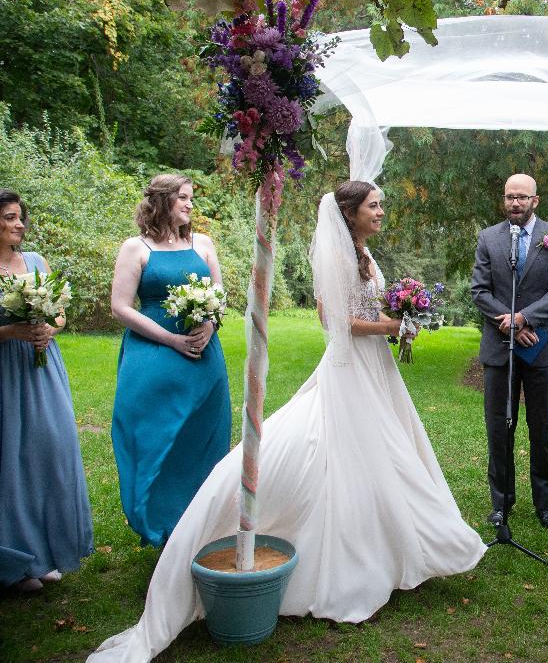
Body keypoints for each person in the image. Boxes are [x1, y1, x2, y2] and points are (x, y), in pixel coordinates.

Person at [88, 181, 486, 662]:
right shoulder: (335, 256)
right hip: (348, 368)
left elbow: (368, 306)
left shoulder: (363, 253)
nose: (381, 211)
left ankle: (394, 538)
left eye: (381, 204)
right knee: (345, 450)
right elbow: (336, 322)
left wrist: (399, 315)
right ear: (350, 213)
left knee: (387, 450)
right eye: (374, 205)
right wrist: (391, 325)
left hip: (376, 367)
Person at [110, 174, 232, 547]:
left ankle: (199, 527)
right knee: (156, 439)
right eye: (183, 197)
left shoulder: (203, 244)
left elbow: (219, 295)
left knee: (203, 440)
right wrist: (170, 339)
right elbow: (120, 307)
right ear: (163, 201)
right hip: (153, 356)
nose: (190, 204)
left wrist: (210, 324)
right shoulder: (136, 248)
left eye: (191, 198)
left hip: (203, 359)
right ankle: (161, 525)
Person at [0, 189, 94, 593]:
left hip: (42, 368)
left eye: (20, 217)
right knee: (11, 460)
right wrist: (11, 331)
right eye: (9, 217)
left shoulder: (37, 262)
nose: (19, 224)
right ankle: (16, 562)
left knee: (50, 450)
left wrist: (49, 330)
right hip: (6, 371)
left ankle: (45, 553)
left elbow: (59, 313)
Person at [470, 173, 548, 529]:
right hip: (499, 348)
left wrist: (524, 318)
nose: (515, 203)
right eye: (509, 196)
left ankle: (546, 505)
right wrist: (509, 322)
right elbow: (480, 290)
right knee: (499, 428)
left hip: (542, 348)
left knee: (543, 428)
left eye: (522, 197)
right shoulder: (488, 238)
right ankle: (501, 502)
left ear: (535, 200)